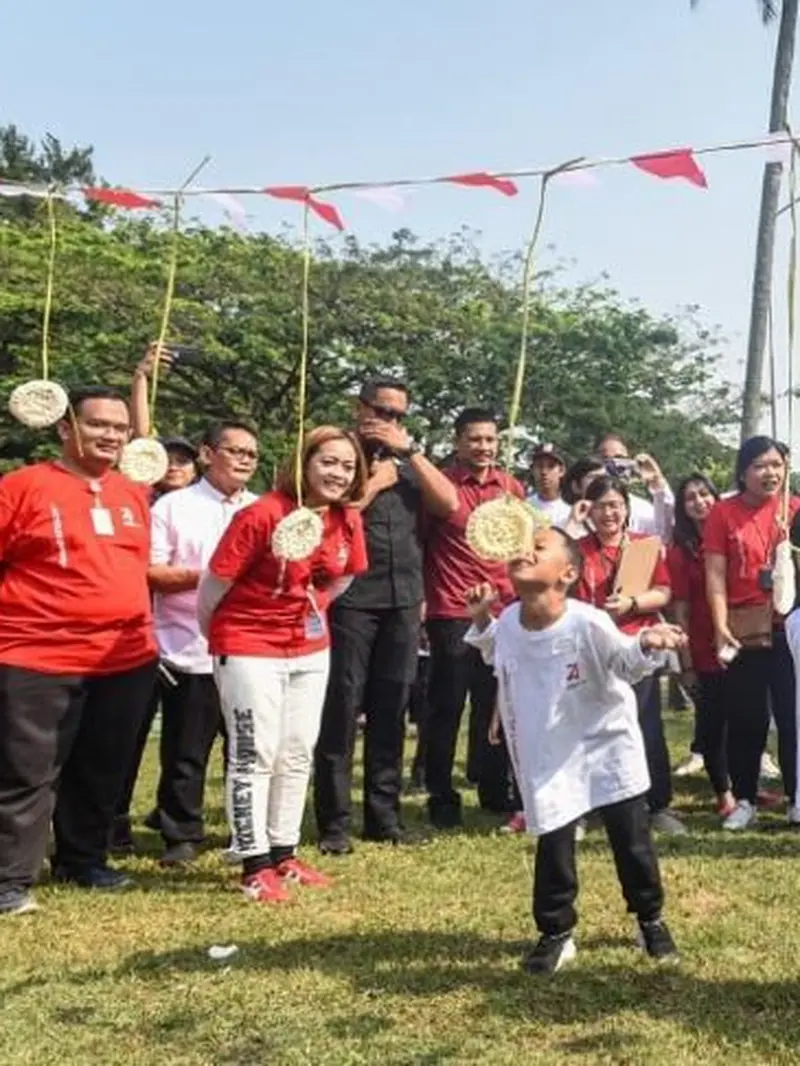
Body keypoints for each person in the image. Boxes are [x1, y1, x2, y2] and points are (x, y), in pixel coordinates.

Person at [465, 527, 682, 975]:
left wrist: (646, 643)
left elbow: (625, 662)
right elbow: (497, 658)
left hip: (605, 744)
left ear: (566, 573)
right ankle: (556, 931)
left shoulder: (586, 621)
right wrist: (482, 618)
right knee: (555, 842)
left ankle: (650, 918)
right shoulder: (508, 621)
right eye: (521, 544)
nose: (523, 549)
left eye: (538, 547)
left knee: (632, 840)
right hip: (549, 752)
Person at [0, 387, 159, 916]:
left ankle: (82, 858)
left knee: (102, 766)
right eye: (98, 425)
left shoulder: (132, 491)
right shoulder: (23, 487)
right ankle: (10, 879)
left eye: (119, 427)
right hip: (37, 654)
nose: (111, 435)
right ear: (66, 428)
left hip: (125, 656)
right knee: (28, 770)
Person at [198, 426, 369, 903]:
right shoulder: (262, 514)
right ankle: (252, 860)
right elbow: (214, 587)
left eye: (348, 465)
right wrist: (222, 638)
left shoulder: (345, 519)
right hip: (249, 644)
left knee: (297, 750)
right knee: (255, 752)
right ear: (303, 462)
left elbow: (344, 577)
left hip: (310, 648)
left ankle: (284, 851)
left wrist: (313, 603)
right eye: (328, 462)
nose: (338, 473)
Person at [313, 380, 459, 854]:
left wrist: (410, 453)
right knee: (341, 708)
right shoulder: (338, 453)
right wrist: (375, 482)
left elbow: (450, 504)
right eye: (382, 411)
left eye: (399, 415)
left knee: (391, 710)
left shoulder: (408, 461)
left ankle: (384, 816)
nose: (390, 422)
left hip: (402, 598)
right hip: (351, 596)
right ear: (360, 409)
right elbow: (329, 509)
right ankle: (334, 822)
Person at [144, 421, 260, 865]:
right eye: (236, 451)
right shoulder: (174, 507)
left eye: (252, 453)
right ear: (208, 454)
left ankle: (244, 828)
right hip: (189, 645)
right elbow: (153, 573)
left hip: (251, 648)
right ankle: (181, 834)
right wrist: (215, 576)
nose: (246, 459)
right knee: (186, 749)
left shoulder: (263, 508)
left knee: (246, 748)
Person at [423, 408, 523, 828]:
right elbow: (422, 540)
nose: (483, 447)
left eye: (490, 439)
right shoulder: (441, 487)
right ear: (458, 441)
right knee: (447, 706)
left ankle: (493, 788)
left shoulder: (511, 487)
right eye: (474, 439)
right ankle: (441, 794)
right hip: (453, 611)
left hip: (503, 612)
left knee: (497, 704)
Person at [572, 476, 684, 835]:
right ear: (589, 509)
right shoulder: (576, 548)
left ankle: (657, 805)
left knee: (645, 724)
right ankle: (587, 807)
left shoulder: (643, 547)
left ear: (627, 508)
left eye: (616, 504)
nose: (610, 512)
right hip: (592, 648)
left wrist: (633, 603)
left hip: (639, 644)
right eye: (602, 505)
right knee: (590, 728)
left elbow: (664, 591)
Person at [704, 436, 799, 830]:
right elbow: (715, 573)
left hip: (788, 628)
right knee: (747, 718)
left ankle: (797, 795)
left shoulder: (793, 509)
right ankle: (744, 798)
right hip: (744, 629)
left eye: (776, 464)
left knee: (793, 715)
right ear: (743, 472)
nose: (770, 472)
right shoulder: (723, 513)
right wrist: (720, 623)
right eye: (760, 465)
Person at [111, 433, 200, 854]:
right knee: (123, 739)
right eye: (167, 459)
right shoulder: (134, 501)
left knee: (186, 743)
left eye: (184, 459)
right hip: (132, 634)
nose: (175, 466)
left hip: (188, 642)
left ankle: (174, 821)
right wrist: (141, 379)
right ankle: (112, 820)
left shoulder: (202, 509)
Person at [667, 475, 734, 818]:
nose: (699, 502)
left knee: (744, 719)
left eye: (705, 494)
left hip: (743, 639)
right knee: (712, 722)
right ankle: (723, 794)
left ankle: (744, 785)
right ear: (682, 508)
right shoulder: (680, 551)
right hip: (704, 644)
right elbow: (680, 607)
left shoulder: (731, 533)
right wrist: (686, 659)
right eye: (690, 498)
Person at [594, 433, 674, 540]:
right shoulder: (581, 509)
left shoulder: (643, 509)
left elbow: (664, 536)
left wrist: (658, 483)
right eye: (605, 458)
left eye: (619, 458)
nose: (613, 465)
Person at [527, 442, 570, 528]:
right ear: (532, 470)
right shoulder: (525, 507)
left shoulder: (570, 509)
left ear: (561, 471)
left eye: (551, 466)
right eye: (539, 466)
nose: (544, 472)